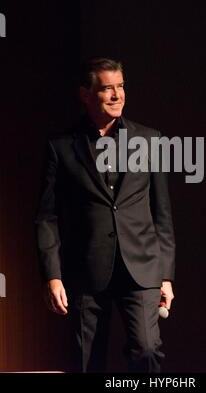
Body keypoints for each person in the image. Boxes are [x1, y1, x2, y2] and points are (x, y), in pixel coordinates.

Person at [35, 57, 176, 373]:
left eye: (121, 87)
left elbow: (162, 213)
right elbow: (47, 217)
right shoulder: (62, 147)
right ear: (85, 94)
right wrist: (52, 274)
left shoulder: (150, 141)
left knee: (148, 351)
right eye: (107, 89)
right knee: (87, 361)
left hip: (141, 267)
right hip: (86, 269)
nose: (117, 95)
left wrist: (165, 274)